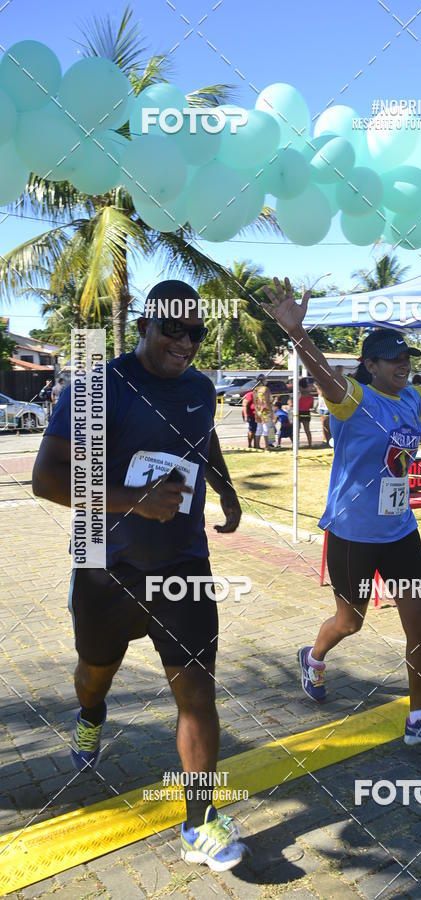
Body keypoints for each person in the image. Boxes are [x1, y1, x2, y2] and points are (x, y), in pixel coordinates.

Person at [32, 280, 246, 871]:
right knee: (94, 676)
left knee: (197, 693)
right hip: (106, 566)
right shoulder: (100, 388)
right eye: (173, 329)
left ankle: (198, 825)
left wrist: (225, 490)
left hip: (183, 566)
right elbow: (47, 480)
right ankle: (91, 718)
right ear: (147, 325)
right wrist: (133, 500)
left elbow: (203, 442)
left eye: (195, 333)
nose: (185, 343)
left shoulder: (202, 389)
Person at [262, 277, 421, 748]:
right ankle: (314, 655)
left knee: (420, 624)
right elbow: (323, 372)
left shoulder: (413, 398)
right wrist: (297, 334)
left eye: (406, 356)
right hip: (352, 534)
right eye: (392, 357)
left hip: (399, 533)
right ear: (370, 364)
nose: (403, 363)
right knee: (351, 622)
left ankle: (417, 718)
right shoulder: (353, 400)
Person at [253, 375, 273, 450]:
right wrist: (271, 412)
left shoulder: (255, 389)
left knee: (259, 428)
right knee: (266, 428)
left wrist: (257, 410)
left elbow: (254, 402)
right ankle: (267, 446)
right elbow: (267, 402)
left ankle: (257, 445)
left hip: (258, 410)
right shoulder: (265, 389)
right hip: (265, 411)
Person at [298, 377, 314, 448]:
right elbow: (311, 406)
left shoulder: (299, 394)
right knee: (307, 429)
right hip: (306, 412)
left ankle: (296, 443)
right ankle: (310, 444)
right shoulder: (310, 396)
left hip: (299, 412)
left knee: (297, 429)